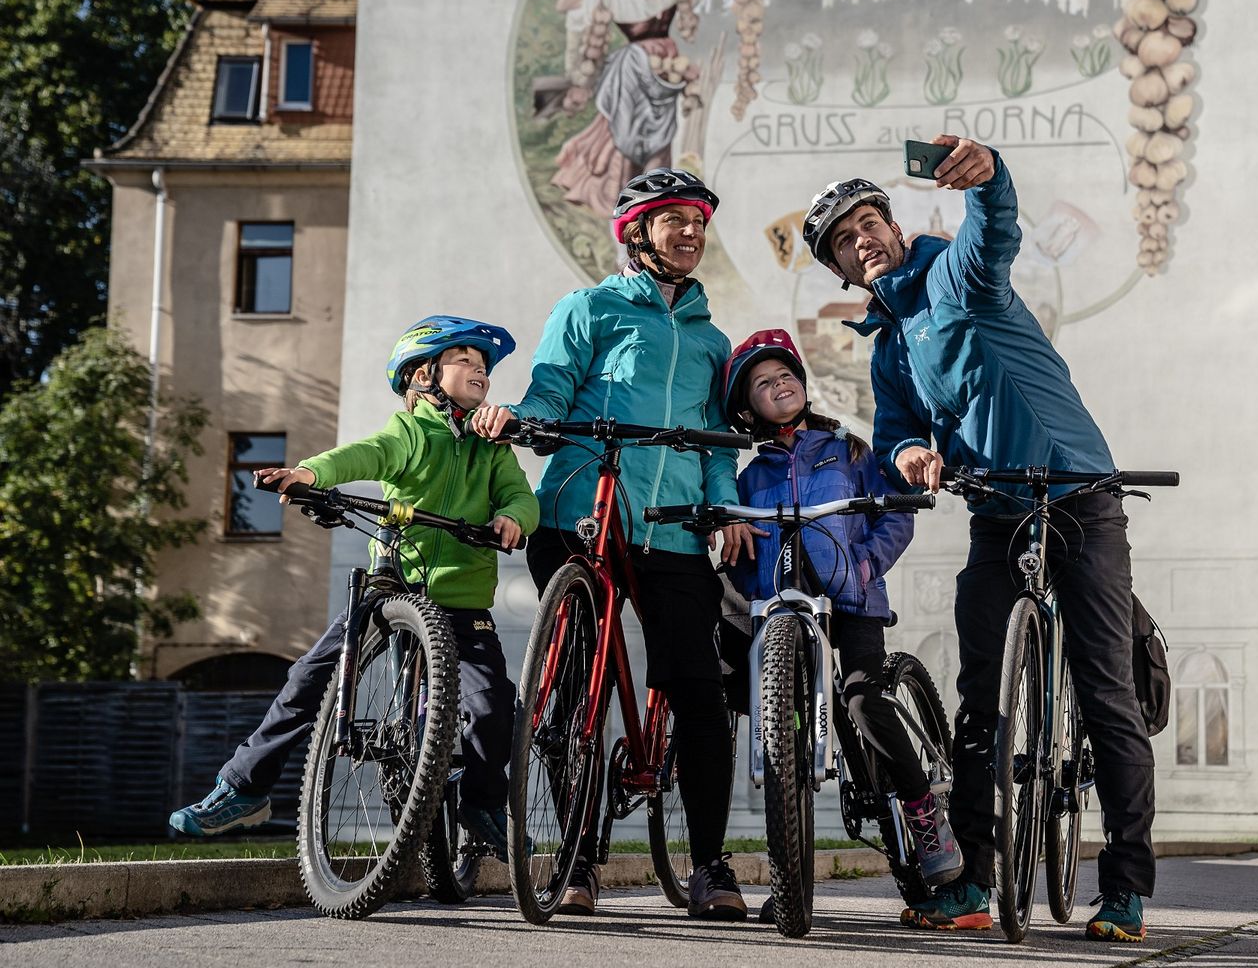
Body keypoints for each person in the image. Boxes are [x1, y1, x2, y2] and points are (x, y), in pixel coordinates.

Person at [802, 136, 1157, 942]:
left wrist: (990, 173)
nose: (864, 240)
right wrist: (909, 452)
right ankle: (971, 885)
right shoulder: (890, 346)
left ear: (892, 226)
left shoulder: (952, 276)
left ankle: (1127, 890)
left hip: (1079, 494)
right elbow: (894, 429)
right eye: (845, 242)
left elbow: (992, 232)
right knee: (979, 706)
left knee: (1107, 695)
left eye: (868, 223)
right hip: (995, 508)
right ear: (844, 271)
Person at [470, 167, 755, 920]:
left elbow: (719, 441)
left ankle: (711, 867)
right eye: (676, 220)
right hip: (577, 513)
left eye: (698, 222)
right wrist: (521, 417)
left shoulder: (711, 339)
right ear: (637, 232)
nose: (691, 232)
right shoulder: (589, 307)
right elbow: (553, 384)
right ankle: (577, 860)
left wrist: (724, 504)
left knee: (696, 690)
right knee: (572, 697)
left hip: (673, 523)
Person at [170, 316, 538, 864]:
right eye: (464, 359)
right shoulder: (409, 434)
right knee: (306, 679)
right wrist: (309, 474)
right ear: (422, 376)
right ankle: (244, 788)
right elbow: (359, 456)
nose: (479, 369)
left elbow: (521, 497)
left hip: (464, 603)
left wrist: (513, 518)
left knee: (493, 705)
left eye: (484, 364)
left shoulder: (493, 450)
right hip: (392, 590)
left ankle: (480, 804)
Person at [720, 328, 961, 893]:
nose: (778, 386)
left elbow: (896, 514)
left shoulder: (851, 450)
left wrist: (863, 567)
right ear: (747, 407)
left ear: (802, 385)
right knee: (746, 692)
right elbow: (743, 544)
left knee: (862, 696)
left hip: (852, 597)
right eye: (762, 383)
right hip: (781, 607)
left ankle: (923, 812)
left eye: (785, 376)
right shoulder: (751, 477)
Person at [549, 0, 738, 215]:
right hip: (632, 71)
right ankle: (624, 232)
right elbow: (564, 4)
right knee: (628, 146)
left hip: (665, 73)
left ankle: (653, 219)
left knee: (659, 144)